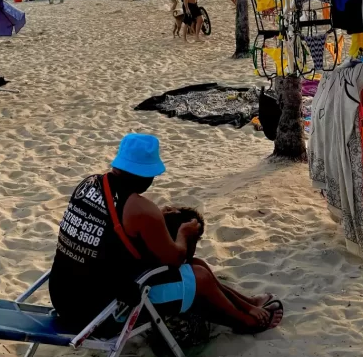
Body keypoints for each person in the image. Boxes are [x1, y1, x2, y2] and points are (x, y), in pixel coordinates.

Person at [48, 134, 282, 335]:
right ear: (147, 176)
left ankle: (247, 303)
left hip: (64, 296)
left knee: (198, 266)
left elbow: (108, 232)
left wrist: (157, 221)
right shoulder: (140, 208)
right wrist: (184, 233)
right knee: (198, 278)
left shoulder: (89, 184)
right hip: (99, 311)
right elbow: (176, 258)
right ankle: (245, 322)